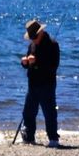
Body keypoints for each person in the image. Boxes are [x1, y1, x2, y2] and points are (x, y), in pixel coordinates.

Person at [19, 19, 61, 147]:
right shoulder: (31, 46)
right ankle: (29, 137)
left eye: (35, 37)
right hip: (33, 83)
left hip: (47, 84)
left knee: (49, 112)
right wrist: (25, 63)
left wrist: (36, 62)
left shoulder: (52, 45)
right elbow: (29, 65)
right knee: (28, 112)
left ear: (41, 32)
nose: (34, 40)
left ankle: (53, 138)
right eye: (32, 38)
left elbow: (53, 66)